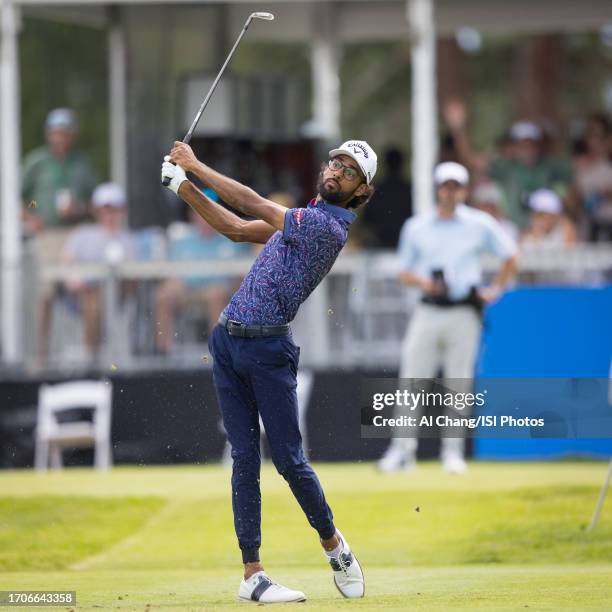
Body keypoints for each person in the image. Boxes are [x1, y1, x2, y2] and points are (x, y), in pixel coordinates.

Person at [162, 139, 376, 603]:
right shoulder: (302, 218)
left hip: (268, 349)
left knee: (288, 460)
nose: (338, 172)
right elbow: (237, 229)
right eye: (336, 163)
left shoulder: (326, 227)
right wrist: (183, 187)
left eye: (350, 172)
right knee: (243, 457)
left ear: (361, 191)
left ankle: (333, 545)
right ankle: (253, 574)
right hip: (227, 342)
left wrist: (194, 166)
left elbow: (254, 203)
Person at [378, 162, 517, 474]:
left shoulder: (479, 224)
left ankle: (452, 453)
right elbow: (403, 272)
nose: (450, 191)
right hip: (428, 308)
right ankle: (402, 451)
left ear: (464, 190)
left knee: (458, 382)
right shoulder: (417, 226)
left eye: (456, 186)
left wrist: (495, 289)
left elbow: (510, 254)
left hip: (464, 311)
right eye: (445, 185)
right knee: (412, 380)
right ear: (438, 188)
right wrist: (426, 283)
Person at [443, 100, 572, 230]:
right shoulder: (505, 168)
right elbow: (471, 160)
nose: (527, 149)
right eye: (522, 144)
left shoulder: (550, 167)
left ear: (538, 146)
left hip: (543, 237)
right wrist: (458, 130)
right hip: (512, 232)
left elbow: (571, 186)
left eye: (530, 144)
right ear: (515, 147)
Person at [154, 193, 251, 354]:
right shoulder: (181, 240)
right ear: (192, 215)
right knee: (164, 294)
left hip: (222, 294)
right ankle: (163, 353)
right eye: (200, 211)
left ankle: (218, 353)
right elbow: (170, 273)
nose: (205, 217)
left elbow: (241, 275)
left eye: (209, 211)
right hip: (188, 292)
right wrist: (174, 283)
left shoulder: (233, 239)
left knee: (215, 294)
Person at [60, 183, 136, 362]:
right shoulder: (82, 234)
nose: (109, 215)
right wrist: (73, 280)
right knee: (92, 300)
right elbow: (65, 262)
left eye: (114, 210)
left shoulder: (128, 239)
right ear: (97, 211)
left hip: (118, 297)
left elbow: (133, 276)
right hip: (82, 295)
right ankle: (92, 354)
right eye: (105, 210)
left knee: (97, 299)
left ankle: (93, 355)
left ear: (121, 211)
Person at [572, 113, 612, 241]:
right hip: (589, 229)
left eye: (600, 136)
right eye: (591, 136)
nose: (595, 142)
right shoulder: (581, 167)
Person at [361, 147, 412, 248]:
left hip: (381, 243)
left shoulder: (376, 189)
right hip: (400, 242)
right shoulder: (408, 189)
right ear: (402, 164)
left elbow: (366, 219)